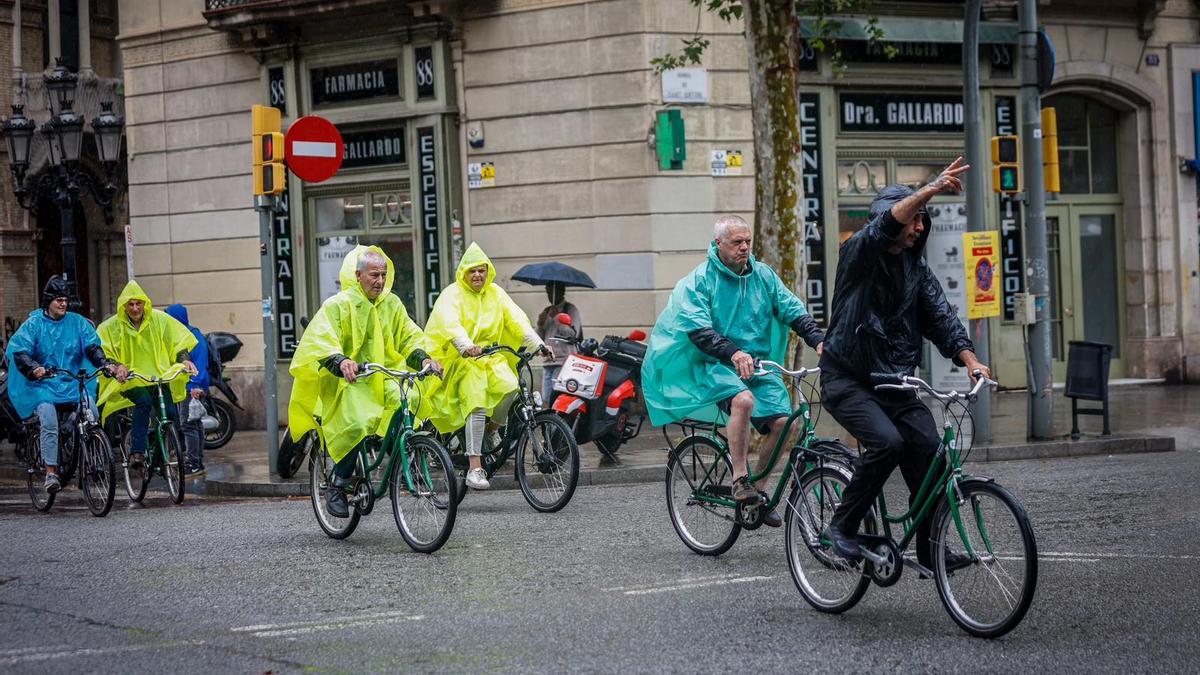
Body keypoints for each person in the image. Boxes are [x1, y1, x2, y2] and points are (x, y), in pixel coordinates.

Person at [819, 157, 991, 573]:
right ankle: (841, 527)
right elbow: (885, 228)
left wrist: (970, 360)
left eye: (923, 221)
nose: (918, 227)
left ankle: (932, 546)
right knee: (888, 444)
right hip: (848, 379)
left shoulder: (916, 268)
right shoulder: (858, 252)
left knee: (931, 454)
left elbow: (941, 319)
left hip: (895, 382)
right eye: (914, 219)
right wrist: (930, 188)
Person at [642, 215, 825, 527]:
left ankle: (759, 495)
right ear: (718, 244)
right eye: (737, 242)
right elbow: (698, 330)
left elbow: (791, 308)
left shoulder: (763, 276)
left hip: (758, 366)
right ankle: (740, 478)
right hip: (714, 364)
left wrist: (819, 340)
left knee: (786, 425)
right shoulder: (701, 280)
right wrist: (733, 352)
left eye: (748, 241)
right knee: (742, 401)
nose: (744, 247)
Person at [289, 246, 441, 518]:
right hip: (352, 381)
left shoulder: (392, 303)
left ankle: (402, 459)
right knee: (357, 421)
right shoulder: (338, 304)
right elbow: (321, 339)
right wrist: (341, 361)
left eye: (383, 275)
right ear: (357, 275)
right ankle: (339, 483)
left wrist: (425, 360)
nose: (380, 281)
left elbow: (408, 336)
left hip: (384, 376)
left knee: (412, 398)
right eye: (374, 275)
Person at [424, 243, 551, 491]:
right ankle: (475, 468)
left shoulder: (496, 293)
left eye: (481, 270)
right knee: (477, 401)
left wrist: (539, 344)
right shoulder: (452, 293)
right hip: (461, 362)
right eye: (472, 271)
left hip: (490, 358)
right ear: (464, 273)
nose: (477, 275)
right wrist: (466, 345)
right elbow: (449, 323)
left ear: (488, 271)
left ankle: (493, 429)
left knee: (511, 386)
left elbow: (516, 321)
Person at [4, 276, 120, 493]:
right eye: (59, 300)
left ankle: (90, 460)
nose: (63, 304)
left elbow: (92, 347)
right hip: (43, 386)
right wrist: (34, 369)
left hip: (73, 383)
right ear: (48, 301)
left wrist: (105, 364)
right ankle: (51, 472)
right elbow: (20, 351)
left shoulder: (78, 322)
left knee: (91, 412)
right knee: (48, 418)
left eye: (65, 300)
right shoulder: (34, 324)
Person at [96, 281, 199, 470]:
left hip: (157, 378)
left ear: (145, 303)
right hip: (130, 381)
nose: (135, 308)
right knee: (143, 402)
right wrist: (118, 366)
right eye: (131, 304)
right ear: (124, 306)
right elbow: (104, 349)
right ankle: (137, 452)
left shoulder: (159, 320)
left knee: (169, 413)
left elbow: (177, 341)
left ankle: (161, 456)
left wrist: (184, 358)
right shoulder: (112, 326)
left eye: (138, 303)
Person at [164, 304, 211, 478]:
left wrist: (193, 385)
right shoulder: (190, 333)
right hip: (192, 385)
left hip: (191, 386)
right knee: (195, 423)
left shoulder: (189, 336)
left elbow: (199, 363)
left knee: (188, 424)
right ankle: (197, 461)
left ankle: (194, 464)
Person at [535, 281, 582, 403]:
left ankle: (555, 421)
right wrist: (540, 325)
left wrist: (557, 317)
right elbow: (540, 337)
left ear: (562, 292)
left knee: (557, 397)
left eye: (552, 292)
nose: (550, 296)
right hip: (548, 361)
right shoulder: (547, 310)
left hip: (564, 361)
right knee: (546, 397)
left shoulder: (570, 309)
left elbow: (573, 334)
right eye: (548, 293)